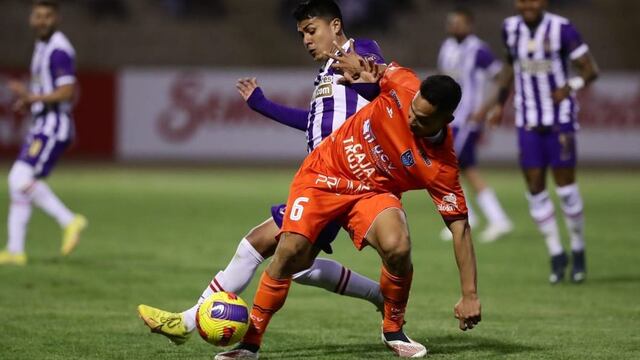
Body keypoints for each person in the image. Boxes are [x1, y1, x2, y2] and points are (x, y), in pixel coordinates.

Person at [137, 0, 388, 345]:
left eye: (311, 31)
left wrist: (365, 79)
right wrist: (262, 105)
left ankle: (187, 323)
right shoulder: (325, 74)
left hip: (341, 181)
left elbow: (380, 88)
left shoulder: (362, 50)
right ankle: (381, 295)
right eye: (302, 34)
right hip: (321, 180)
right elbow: (315, 123)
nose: (306, 41)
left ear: (335, 25)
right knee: (298, 266)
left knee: (256, 245)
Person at [216, 60, 481, 359]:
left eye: (421, 120)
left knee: (398, 245)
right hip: (325, 174)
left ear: (447, 119)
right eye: (411, 110)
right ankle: (250, 344)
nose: (410, 120)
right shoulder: (403, 81)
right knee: (290, 251)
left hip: (372, 192)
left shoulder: (441, 167)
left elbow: (460, 228)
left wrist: (469, 295)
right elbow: (368, 65)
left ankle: (393, 329)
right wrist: (355, 66)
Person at [487, 0, 599, 283]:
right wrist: (500, 103)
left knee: (566, 190)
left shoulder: (562, 28)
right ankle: (556, 254)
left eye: (534, 0)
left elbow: (590, 70)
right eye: (523, 0)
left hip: (560, 119)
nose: (528, 5)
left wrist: (569, 87)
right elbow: (509, 66)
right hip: (527, 121)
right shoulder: (510, 29)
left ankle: (579, 250)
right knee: (535, 187)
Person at [0, 0, 87, 266]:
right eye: (38, 16)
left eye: (47, 16)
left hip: (54, 123)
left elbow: (67, 90)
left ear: (56, 19)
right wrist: (30, 100)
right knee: (20, 187)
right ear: (31, 19)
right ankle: (15, 251)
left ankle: (69, 220)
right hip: (43, 121)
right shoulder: (42, 46)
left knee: (18, 178)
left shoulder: (59, 49)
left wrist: (33, 96)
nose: (42, 21)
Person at [437, 7, 512, 243]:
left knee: (452, 167)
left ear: (469, 25)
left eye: (459, 23)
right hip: (450, 119)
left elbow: (502, 78)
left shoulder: (478, 50)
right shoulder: (446, 48)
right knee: (461, 169)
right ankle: (477, 217)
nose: (455, 26)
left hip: (467, 120)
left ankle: (495, 219)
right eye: (452, 22)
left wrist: (485, 108)